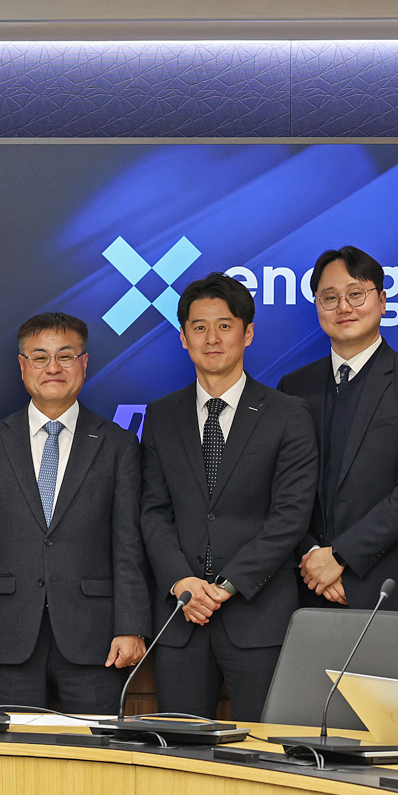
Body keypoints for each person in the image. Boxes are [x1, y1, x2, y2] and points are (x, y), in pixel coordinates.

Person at [0, 312, 150, 713]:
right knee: (14, 767)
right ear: (22, 367)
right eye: (40, 357)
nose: (53, 368)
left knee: (96, 764)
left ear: (84, 363)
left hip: (96, 640)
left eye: (66, 356)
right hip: (6, 639)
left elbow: (128, 545)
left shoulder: (118, 445)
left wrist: (131, 626)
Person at [139, 274, 318, 721]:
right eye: (199, 327)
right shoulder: (162, 415)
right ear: (183, 338)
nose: (212, 338)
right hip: (181, 621)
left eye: (224, 325)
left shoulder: (287, 413)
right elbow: (153, 512)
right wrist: (181, 582)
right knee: (179, 760)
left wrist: (226, 586)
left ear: (248, 333)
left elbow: (290, 516)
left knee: (265, 760)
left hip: (258, 618)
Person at [277, 247, 398, 615]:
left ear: (382, 300)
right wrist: (311, 556)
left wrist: (341, 557)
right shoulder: (294, 387)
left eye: (356, 294)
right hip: (310, 590)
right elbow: (282, 486)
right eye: (330, 298)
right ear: (317, 306)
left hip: (393, 589)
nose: (344, 307)